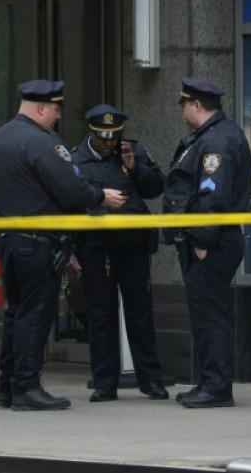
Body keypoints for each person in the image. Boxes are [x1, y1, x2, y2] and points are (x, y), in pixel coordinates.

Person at [0, 79, 126, 412]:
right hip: (38, 244)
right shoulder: (43, 142)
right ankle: (26, 388)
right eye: (56, 109)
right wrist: (101, 196)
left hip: (9, 241)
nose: (58, 116)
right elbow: (70, 189)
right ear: (41, 107)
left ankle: (7, 387)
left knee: (16, 314)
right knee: (35, 316)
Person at [69, 104, 169, 402]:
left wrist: (135, 167)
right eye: (102, 137)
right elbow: (69, 201)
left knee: (140, 313)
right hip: (95, 248)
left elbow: (156, 187)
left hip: (133, 246)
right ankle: (105, 383)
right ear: (91, 132)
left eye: (113, 136)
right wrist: (71, 248)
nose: (108, 142)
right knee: (101, 315)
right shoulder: (75, 159)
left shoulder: (132, 151)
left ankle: (150, 380)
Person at [163, 78, 251, 408]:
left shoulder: (215, 141)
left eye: (184, 104)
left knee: (209, 315)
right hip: (212, 240)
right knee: (203, 313)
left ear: (197, 105)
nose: (182, 109)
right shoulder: (213, 135)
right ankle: (208, 381)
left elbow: (213, 196)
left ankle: (216, 387)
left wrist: (201, 240)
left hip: (211, 243)